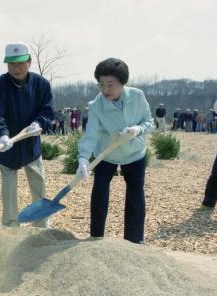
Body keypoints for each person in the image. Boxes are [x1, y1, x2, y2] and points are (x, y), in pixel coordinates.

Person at [77, 58, 154, 244]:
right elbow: (91, 135)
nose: (105, 90)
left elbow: (149, 122)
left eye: (110, 84)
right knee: (100, 190)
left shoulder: (137, 96)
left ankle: (134, 240)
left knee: (135, 193)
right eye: (101, 84)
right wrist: (83, 159)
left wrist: (138, 130)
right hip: (106, 153)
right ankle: (96, 237)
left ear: (122, 82)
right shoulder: (96, 106)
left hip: (134, 153)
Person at [0, 41, 54, 228]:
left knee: (38, 182)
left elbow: (48, 111)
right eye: (11, 64)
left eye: (20, 63)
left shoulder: (41, 84)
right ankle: (10, 224)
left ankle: (42, 223)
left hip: (30, 142)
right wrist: (1, 134)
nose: (16, 68)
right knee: (8, 187)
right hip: (7, 144)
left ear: (29, 62)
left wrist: (38, 123)